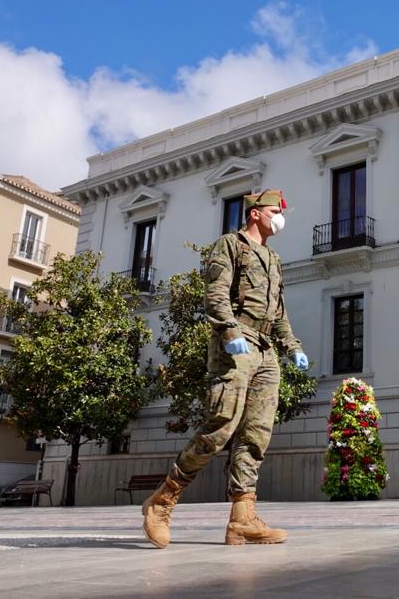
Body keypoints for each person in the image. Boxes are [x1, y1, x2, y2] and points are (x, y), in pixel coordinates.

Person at [142, 188, 310, 547]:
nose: (279, 218)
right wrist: (229, 330)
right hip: (237, 343)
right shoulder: (229, 245)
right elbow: (215, 293)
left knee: (256, 435)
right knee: (222, 425)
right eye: (273, 211)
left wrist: (291, 346)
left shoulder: (273, 258)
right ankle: (162, 500)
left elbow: (278, 312)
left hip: (266, 350)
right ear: (254, 214)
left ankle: (243, 519)